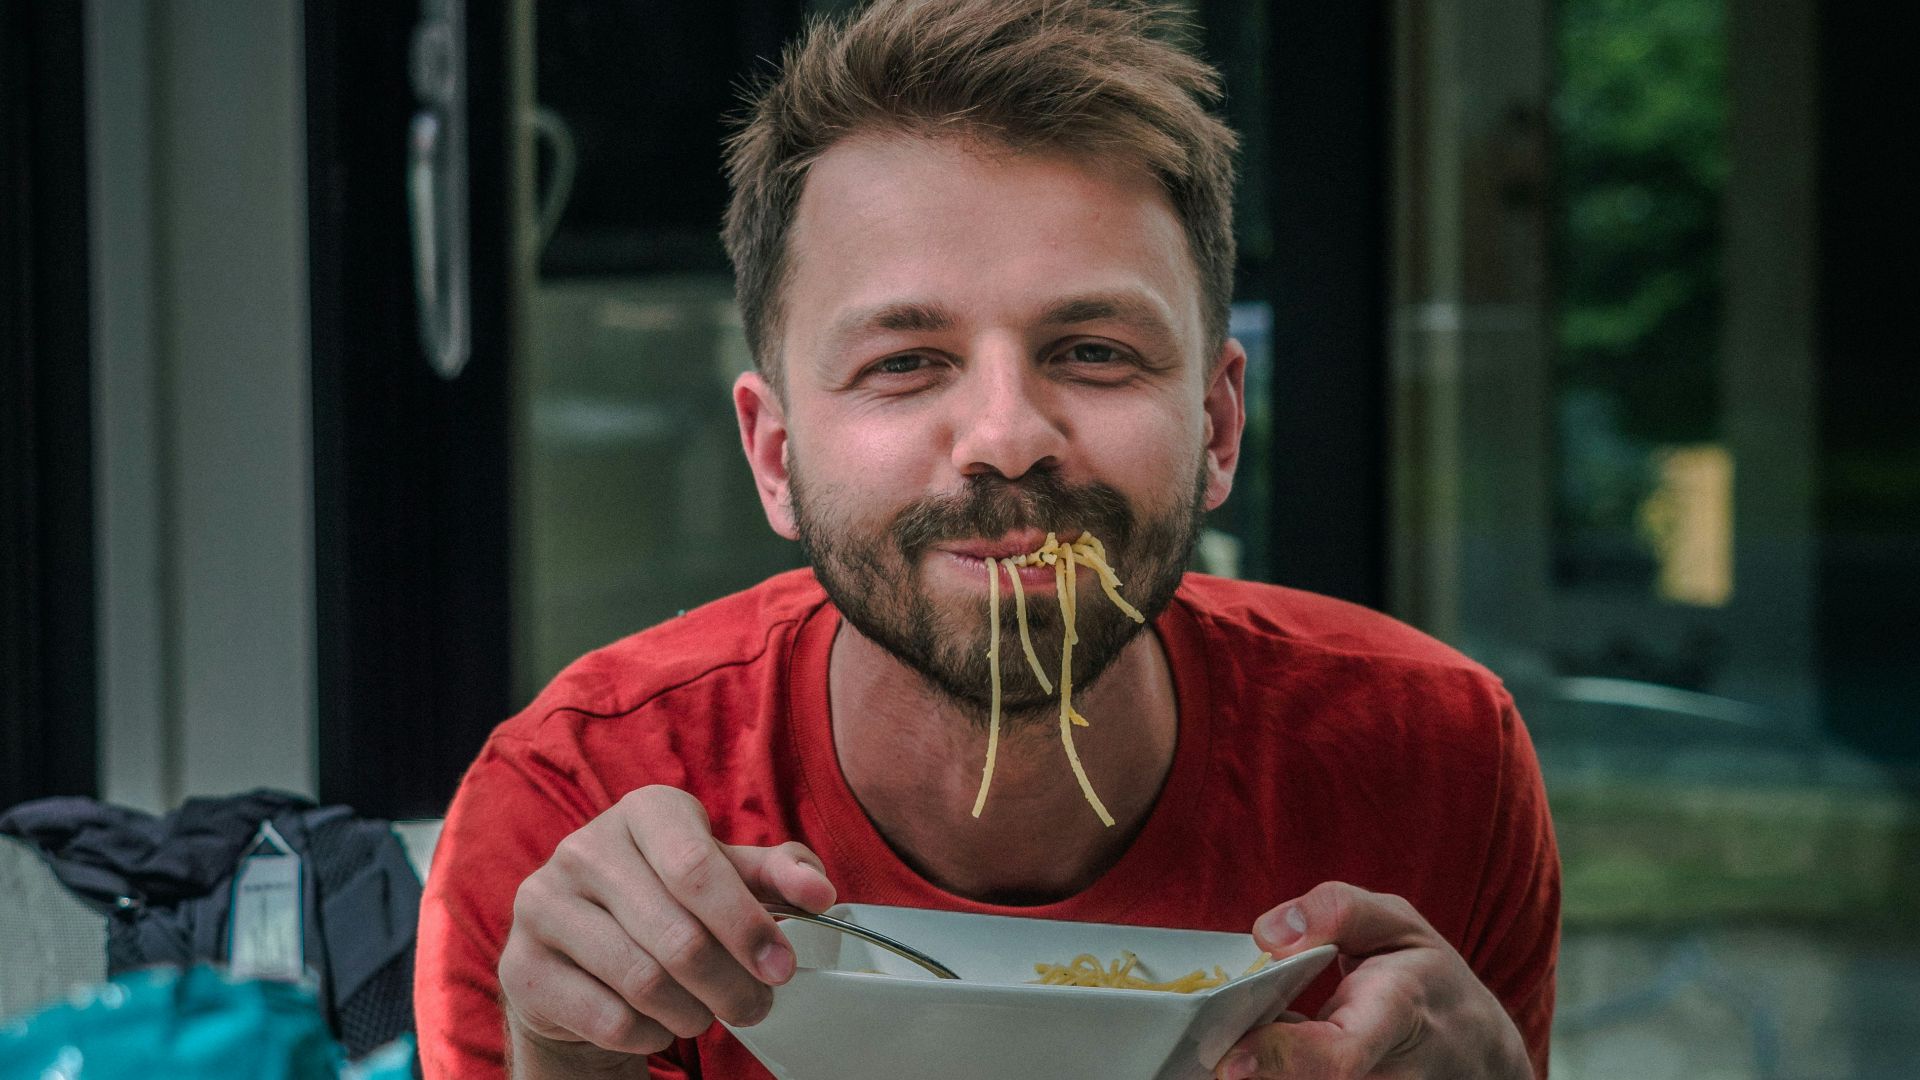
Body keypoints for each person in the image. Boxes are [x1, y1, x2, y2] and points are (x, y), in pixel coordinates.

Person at [413, 0, 1560, 1077]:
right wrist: (562, 1059)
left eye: (1095, 350)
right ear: (774, 456)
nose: (1008, 440)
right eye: (904, 364)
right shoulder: (566, 822)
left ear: (1217, 425)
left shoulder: (1436, 766)